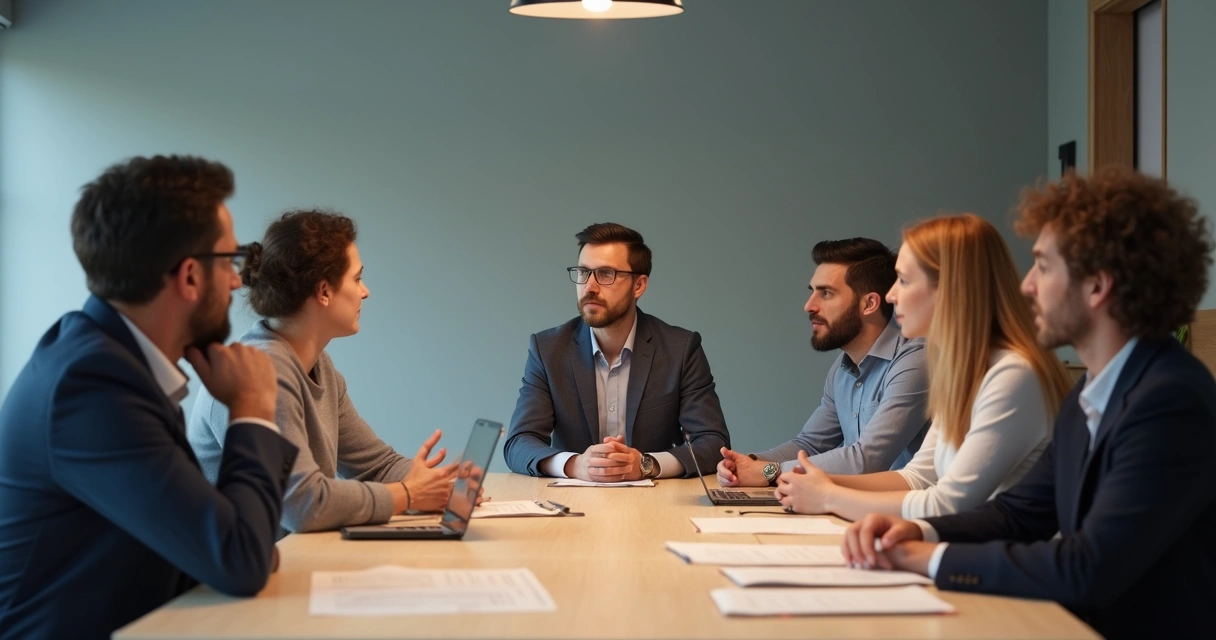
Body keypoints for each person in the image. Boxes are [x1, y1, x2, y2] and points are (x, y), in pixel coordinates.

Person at [841, 169, 1216, 639]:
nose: (1026, 285)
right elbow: (1018, 513)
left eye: (1043, 265)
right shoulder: (1092, 392)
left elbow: (1088, 568)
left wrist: (926, 557)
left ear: (1097, 286)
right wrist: (918, 533)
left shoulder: (1168, 401)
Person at [0, 156, 298, 640]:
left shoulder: (112, 363)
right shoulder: (93, 388)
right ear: (189, 277)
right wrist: (253, 410)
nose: (238, 280)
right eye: (232, 260)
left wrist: (241, 541)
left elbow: (235, 545)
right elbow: (241, 559)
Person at [775, 214, 1072, 522]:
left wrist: (827, 495)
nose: (890, 296)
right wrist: (814, 483)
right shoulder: (960, 370)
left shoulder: (1013, 375)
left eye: (903, 281)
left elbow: (950, 503)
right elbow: (918, 477)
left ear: (950, 288)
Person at [189, 210, 457, 534]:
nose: (365, 291)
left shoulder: (319, 366)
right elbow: (303, 505)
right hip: (241, 577)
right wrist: (409, 493)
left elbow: (374, 465)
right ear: (324, 291)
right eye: (357, 279)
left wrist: (442, 488)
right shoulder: (264, 371)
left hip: (283, 562)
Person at [503, 223, 730, 481]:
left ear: (639, 286)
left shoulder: (681, 349)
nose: (590, 286)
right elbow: (519, 443)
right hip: (572, 505)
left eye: (606, 274)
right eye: (583, 272)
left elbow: (714, 443)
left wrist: (646, 464)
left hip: (656, 504)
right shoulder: (548, 350)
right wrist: (575, 465)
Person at [716, 238, 930, 488]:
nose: (809, 306)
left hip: (906, 517)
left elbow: (868, 459)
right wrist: (750, 463)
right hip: (858, 509)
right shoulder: (843, 367)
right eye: (812, 291)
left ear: (869, 304)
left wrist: (768, 472)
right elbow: (809, 444)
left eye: (826, 293)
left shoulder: (916, 359)